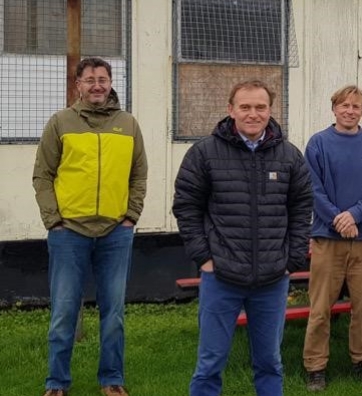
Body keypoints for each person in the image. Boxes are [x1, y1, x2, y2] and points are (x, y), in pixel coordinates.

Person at [172, 80, 312, 396]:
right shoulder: (204, 153)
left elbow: (302, 208)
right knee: (209, 364)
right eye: (245, 107)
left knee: (270, 363)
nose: (253, 114)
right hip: (221, 276)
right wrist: (203, 258)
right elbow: (186, 206)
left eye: (260, 107)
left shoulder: (289, 156)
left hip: (273, 279)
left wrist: (292, 260)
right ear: (230, 109)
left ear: (270, 110)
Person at [33, 57, 148, 396]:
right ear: (78, 85)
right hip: (69, 233)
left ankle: (112, 380)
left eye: (103, 79)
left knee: (113, 313)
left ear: (111, 83)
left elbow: (138, 174)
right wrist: (53, 221)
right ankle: (56, 383)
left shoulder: (128, 124)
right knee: (64, 311)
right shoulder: (60, 122)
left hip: (116, 232)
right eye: (90, 79)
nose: (97, 85)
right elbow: (43, 175)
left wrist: (131, 217)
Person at [302, 85, 362, 392]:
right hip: (327, 239)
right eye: (344, 105)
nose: (350, 110)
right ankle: (315, 367)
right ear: (334, 108)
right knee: (320, 308)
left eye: (356, 106)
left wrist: (354, 215)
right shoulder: (318, 144)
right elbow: (312, 189)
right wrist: (339, 220)